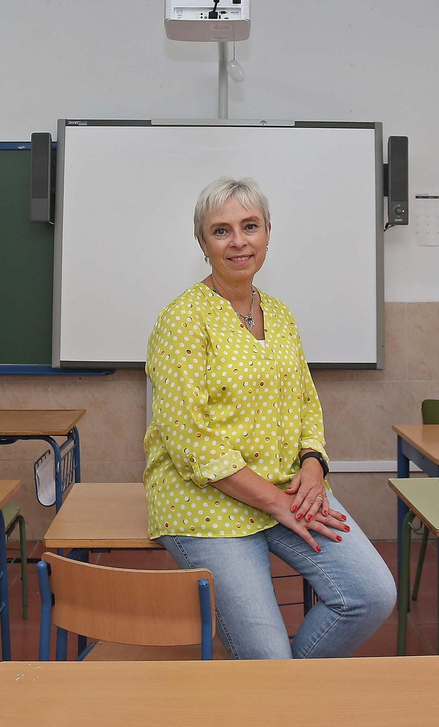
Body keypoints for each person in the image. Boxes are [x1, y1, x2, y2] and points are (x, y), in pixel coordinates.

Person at [144, 176, 396, 659]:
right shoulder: (182, 319)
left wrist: (313, 465)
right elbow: (190, 440)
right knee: (267, 658)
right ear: (202, 242)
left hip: (285, 487)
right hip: (206, 503)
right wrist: (275, 503)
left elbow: (305, 403)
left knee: (370, 595)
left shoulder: (280, 315)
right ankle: (276, 689)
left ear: (267, 233)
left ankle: (279, 690)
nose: (238, 241)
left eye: (250, 226)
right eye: (221, 231)